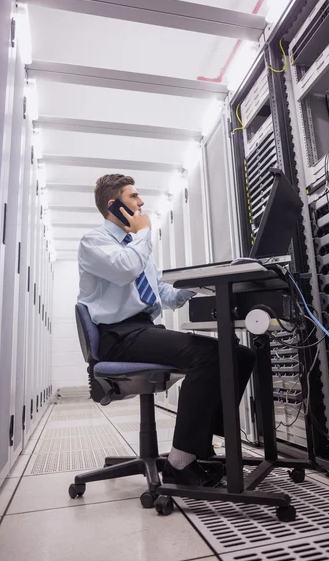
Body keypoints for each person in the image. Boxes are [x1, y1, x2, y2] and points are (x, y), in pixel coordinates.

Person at [77, 174, 255, 487]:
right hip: (117, 337)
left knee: (239, 355)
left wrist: (199, 283)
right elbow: (125, 270)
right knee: (207, 356)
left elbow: (164, 296)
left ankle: (201, 449)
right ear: (113, 205)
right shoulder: (95, 243)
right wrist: (144, 232)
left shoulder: (137, 247)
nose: (141, 202)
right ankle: (180, 462)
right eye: (134, 197)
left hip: (143, 331)